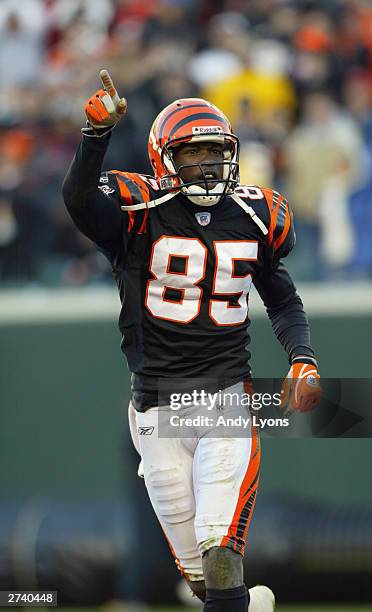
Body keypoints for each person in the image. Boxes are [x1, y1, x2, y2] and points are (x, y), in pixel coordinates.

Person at [62, 71, 320, 612]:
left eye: (214, 152)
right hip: (156, 406)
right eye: (192, 153)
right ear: (165, 159)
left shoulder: (255, 215)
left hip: (226, 397)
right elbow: (80, 200)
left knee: (222, 554)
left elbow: (282, 297)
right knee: (205, 580)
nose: (206, 165)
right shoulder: (138, 211)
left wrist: (302, 358)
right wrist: (94, 136)